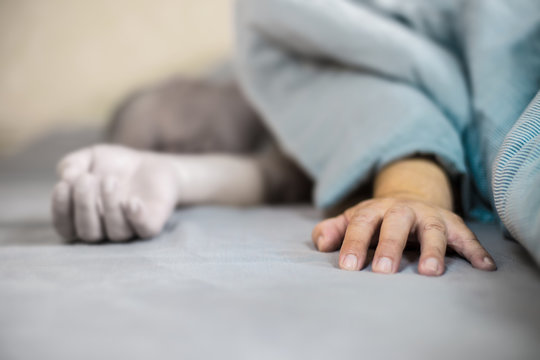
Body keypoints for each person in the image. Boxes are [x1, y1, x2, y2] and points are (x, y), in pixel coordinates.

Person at [51, 0, 540, 276]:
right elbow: (277, 172)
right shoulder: (298, 141)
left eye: (164, 128)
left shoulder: (271, 52)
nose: (184, 142)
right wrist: (177, 176)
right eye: (158, 148)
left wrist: (409, 193)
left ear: (186, 82)